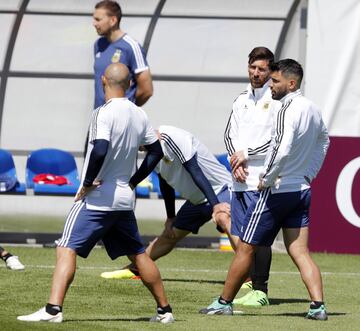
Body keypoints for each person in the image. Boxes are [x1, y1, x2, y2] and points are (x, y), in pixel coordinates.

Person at [17, 63, 174, 324]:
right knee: (139, 254)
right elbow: (156, 151)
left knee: (66, 248)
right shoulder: (139, 114)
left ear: (104, 81)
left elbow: (100, 148)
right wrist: (133, 181)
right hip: (124, 199)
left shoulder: (102, 112)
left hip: (97, 198)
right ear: (129, 84)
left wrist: (87, 182)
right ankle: (165, 310)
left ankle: (53, 310)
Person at [200, 59, 330, 321]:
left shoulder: (285, 109)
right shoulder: (313, 108)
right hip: (301, 190)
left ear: (291, 84)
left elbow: (280, 150)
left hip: (278, 191)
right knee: (300, 251)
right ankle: (318, 306)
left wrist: (268, 178)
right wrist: (310, 173)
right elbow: (324, 140)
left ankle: (224, 302)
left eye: (276, 81)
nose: (271, 84)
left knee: (246, 247)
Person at [100, 125, 234, 280]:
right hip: (197, 200)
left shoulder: (173, 137)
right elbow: (166, 184)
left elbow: (194, 170)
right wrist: (170, 217)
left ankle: (250, 276)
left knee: (225, 219)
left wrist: (216, 205)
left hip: (220, 190)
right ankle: (136, 269)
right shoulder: (153, 152)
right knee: (170, 235)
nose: (139, 150)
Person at [223, 47, 281, 307]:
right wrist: (235, 161)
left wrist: (245, 155)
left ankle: (261, 290)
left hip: (261, 177)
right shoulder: (240, 99)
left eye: (262, 69)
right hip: (239, 178)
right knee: (242, 235)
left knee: (259, 237)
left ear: (270, 71)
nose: (256, 73)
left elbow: (275, 140)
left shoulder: (277, 100)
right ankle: (251, 285)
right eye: (253, 68)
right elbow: (228, 135)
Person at [93, 0, 153, 108]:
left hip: (122, 120)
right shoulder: (99, 44)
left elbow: (146, 90)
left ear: (113, 20)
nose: (94, 23)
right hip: (100, 116)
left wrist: (128, 109)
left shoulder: (131, 46)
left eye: (98, 19)